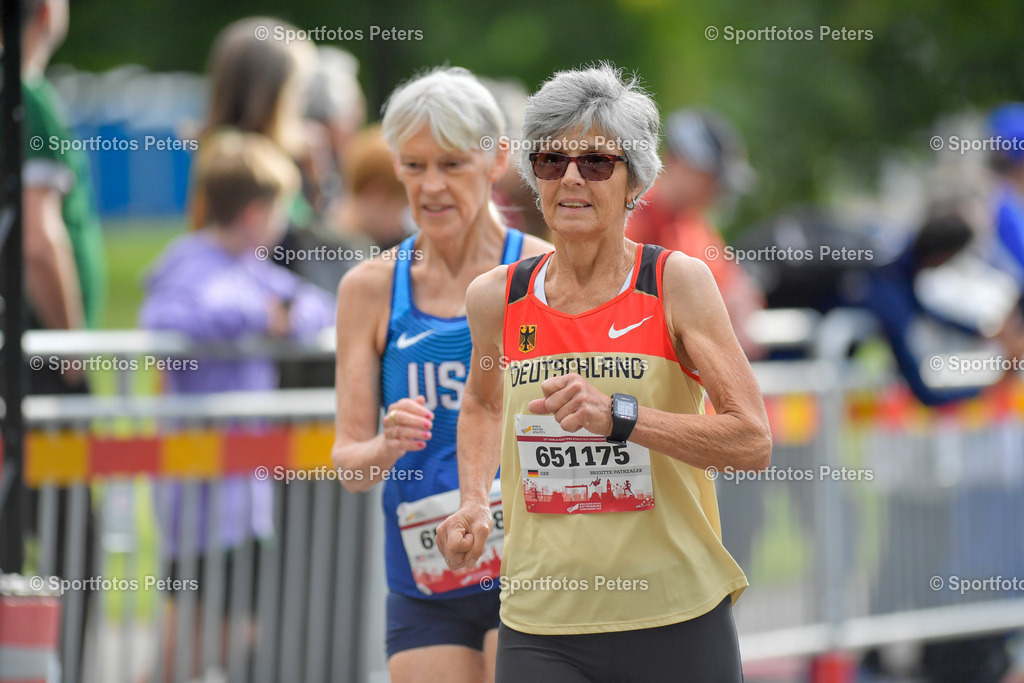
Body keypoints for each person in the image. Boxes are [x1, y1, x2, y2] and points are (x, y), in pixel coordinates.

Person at [436, 63, 771, 683]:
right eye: (550, 161)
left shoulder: (674, 283)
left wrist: (622, 415)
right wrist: (474, 501)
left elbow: (751, 440)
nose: (570, 178)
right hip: (542, 623)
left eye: (595, 163)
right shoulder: (496, 299)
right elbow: (483, 403)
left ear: (635, 180)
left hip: (674, 614)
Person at [331, 67, 549, 683]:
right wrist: (385, 443)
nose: (430, 186)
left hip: (533, 564)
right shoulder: (370, 289)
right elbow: (350, 465)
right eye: (413, 165)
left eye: (452, 165)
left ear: (496, 159)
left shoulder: (540, 272)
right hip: (425, 573)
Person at [139, 131, 334, 679]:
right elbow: (171, 320)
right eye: (278, 211)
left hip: (243, 489)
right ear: (255, 213)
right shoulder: (191, 262)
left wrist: (285, 316)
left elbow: (315, 309)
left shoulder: (250, 268)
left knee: (236, 629)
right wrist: (257, 318)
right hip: (198, 487)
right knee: (189, 638)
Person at [626, 108, 764, 358]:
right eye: (713, 177)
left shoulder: (692, 223)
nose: (719, 190)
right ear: (680, 163)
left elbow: (731, 280)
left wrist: (739, 297)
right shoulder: (628, 218)